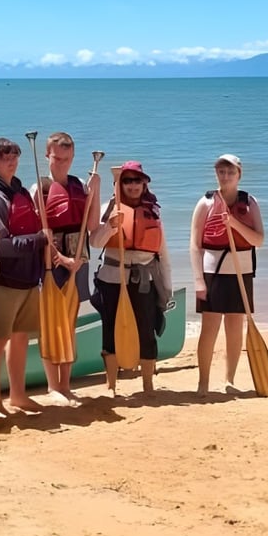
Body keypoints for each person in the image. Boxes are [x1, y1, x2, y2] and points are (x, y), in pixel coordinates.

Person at [0, 137, 49, 413]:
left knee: (20, 338)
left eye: (16, 156)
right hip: (3, 281)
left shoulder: (15, 189)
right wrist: (39, 240)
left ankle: (17, 395)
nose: (13, 161)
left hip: (27, 278)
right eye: (6, 157)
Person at [89, 160, 172, 395]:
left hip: (144, 280)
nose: (133, 185)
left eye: (137, 180)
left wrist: (166, 287)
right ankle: (111, 385)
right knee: (110, 331)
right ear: (120, 183)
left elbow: (162, 254)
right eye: (127, 181)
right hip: (112, 279)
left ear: (144, 183)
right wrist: (109, 228)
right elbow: (95, 243)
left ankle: (147, 384)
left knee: (146, 330)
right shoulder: (110, 207)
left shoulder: (153, 210)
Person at [189, 154, 265, 395]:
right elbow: (194, 244)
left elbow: (258, 240)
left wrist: (233, 224)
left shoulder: (250, 202)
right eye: (221, 172)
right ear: (216, 174)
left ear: (239, 174)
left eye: (230, 172)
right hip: (213, 272)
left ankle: (229, 380)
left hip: (241, 271)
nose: (226, 176)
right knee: (209, 328)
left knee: (234, 327)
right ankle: (203, 383)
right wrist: (198, 279)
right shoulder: (205, 202)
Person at [33, 132, 100, 403]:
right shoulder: (40, 188)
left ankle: (66, 384)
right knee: (50, 323)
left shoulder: (81, 185)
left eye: (67, 159)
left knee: (69, 322)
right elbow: (39, 233)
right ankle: (53, 386)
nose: (62, 164)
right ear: (47, 156)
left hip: (78, 261)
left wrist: (97, 190)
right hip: (52, 264)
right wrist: (61, 259)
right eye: (57, 158)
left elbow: (92, 226)